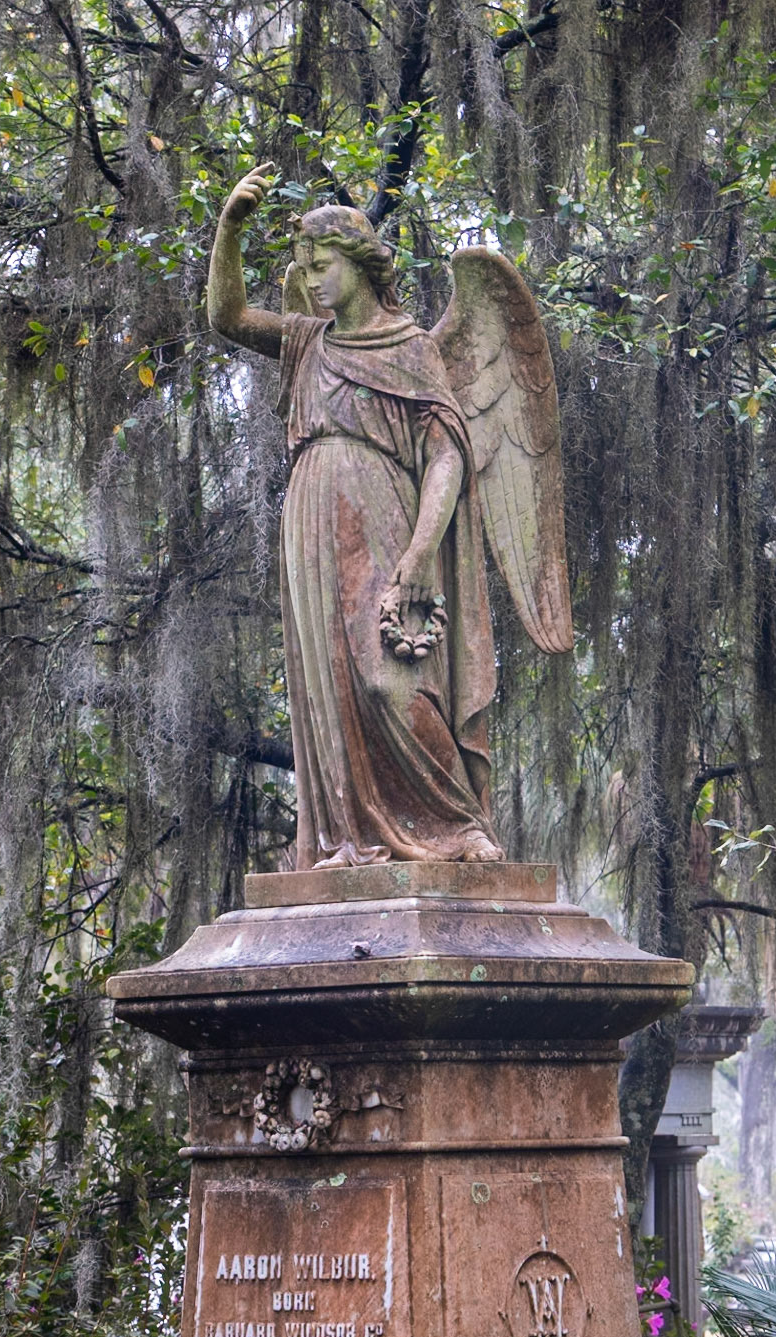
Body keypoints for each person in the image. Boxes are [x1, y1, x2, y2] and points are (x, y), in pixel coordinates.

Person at [207, 168, 503, 867]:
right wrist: (228, 229)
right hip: (312, 523)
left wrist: (424, 551)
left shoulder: (411, 348)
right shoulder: (309, 342)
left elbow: (446, 458)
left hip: (385, 522)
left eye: (322, 265)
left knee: (391, 675)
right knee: (333, 687)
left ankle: (456, 824)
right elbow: (227, 317)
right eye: (302, 269)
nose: (309, 281)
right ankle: (347, 835)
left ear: (360, 262)